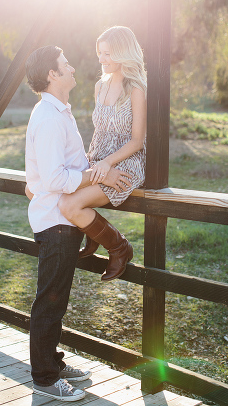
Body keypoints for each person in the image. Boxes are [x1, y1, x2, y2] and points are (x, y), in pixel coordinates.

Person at [23, 45, 132, 401]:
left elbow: (43, 176)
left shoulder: (58, 112)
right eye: (65, 65)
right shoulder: (50, 117)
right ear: (53, 75)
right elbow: (56, 179)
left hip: (59, 219)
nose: (72, 68)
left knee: (56, 299)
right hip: (55, 221)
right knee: (49, 303)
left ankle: (53, 362)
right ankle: (45, 378)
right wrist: (100, 176)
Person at [57, 26, 146, 281]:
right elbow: (100, 132)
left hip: (126, 162)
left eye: (107, 53)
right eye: (99, 53)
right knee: (63, 191)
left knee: (70, 204)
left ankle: (119, 248)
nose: (101, 59)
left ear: (122, 53)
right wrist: (89, 162)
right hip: (98, 159)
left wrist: (106, 164)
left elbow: (137, 141)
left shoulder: (136, 89)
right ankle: (94, 233)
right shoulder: (100, 86)